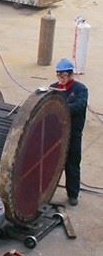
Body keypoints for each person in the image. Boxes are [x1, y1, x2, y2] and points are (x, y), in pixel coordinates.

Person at [50, 58, 88, 206]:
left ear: (71, 74)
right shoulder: (53, 88)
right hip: (56, 133)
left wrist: (60, 108)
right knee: (50, 162)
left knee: (72, 164)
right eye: (59, 75)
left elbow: (79, 106)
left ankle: (73, 194)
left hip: (73, 134)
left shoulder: (80, 90)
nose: (61, 78)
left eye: (64, 75)